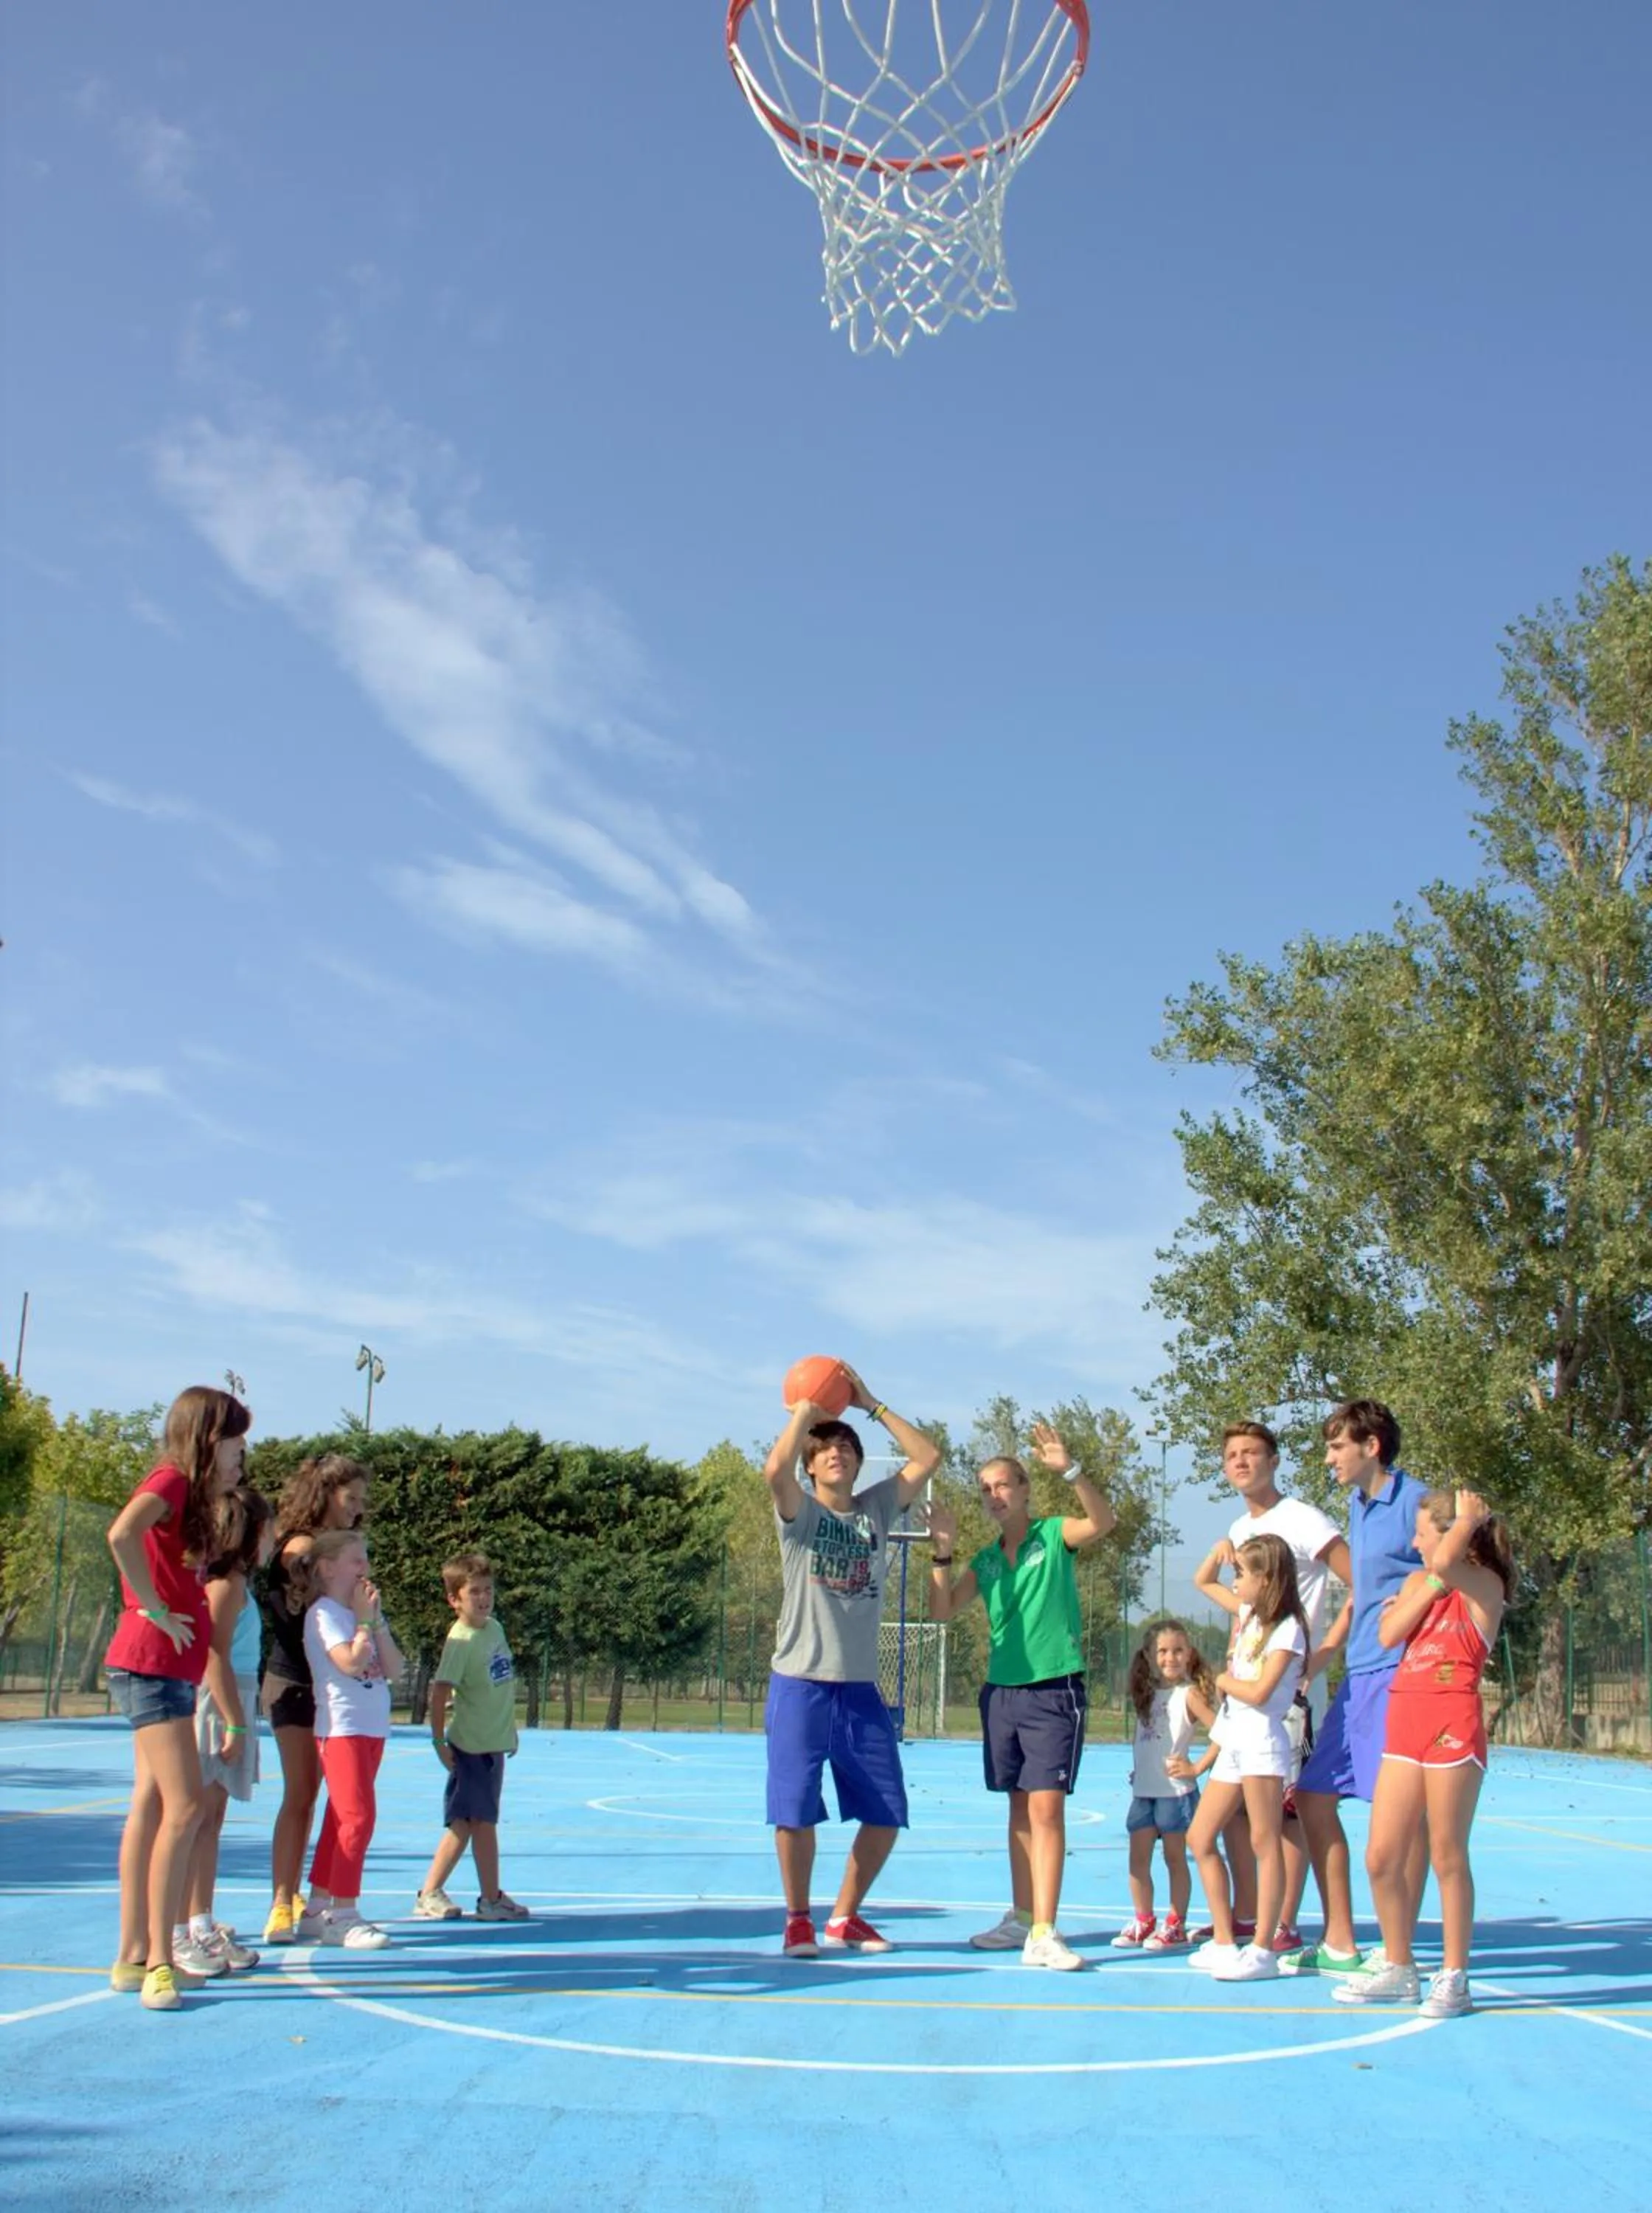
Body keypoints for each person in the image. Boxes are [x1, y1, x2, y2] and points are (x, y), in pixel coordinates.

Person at [762, 1367, 940, 1958]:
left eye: (846, 1448)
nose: (836, 1453)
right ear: (811, 1468)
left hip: (860, 1689)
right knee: (795, 1811)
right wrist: (805, 1412)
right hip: (800, 1684)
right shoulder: (801, 1514)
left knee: (886, 1811)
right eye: (825, 1450)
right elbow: (774, 1471)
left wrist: (869, 1403)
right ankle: (798, 1921)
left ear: (860, 1463)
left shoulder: (876, 1511)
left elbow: (928, 1455)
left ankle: (844, 1917)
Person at [928, 1424, 1117, 1971]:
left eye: (1003, 1485)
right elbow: (942, 1611)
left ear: (1025, 1488)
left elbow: (1103, 1522)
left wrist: (1071, 1470)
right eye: (985, 1488)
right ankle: (1022, 1916)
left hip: (1053, 1689)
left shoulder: (1055, 1535)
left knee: (1046, 1808)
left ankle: (1045, 1931)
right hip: (1002, 1694)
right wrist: (943, 1555)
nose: (994, 1495)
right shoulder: (986, 1561)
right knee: (1018, 1809)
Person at [1333, 1489, 1513, 2019]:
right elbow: (1389, 1633)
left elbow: (1446, 1563)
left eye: (1421, 1532)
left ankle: (1454, 1976)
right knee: (1381, 1856)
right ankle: (1399, 1965)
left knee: (1447, 1853)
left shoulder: (1485, 1585)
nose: (1413, 1542)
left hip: (1451, 1721)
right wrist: (1429, 1584)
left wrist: (1465, 1523)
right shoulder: (1423, 1582)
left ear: (1455, 1534)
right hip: (1406, 1722)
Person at [103, 1385, 251, 2011]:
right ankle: (162, 1961)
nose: (243, 1455)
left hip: (165, 1670)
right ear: (210, 1440)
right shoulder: (170, 1479)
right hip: (152, 1664)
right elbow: (121, 1534)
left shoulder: (192, 1498)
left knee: (151, 1802)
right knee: (186, 1807)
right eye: (236, 1443)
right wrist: (154, 1607)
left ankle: (133, 1954)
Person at [1280, 1399, 1430, 1978]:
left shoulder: (1417, 1501)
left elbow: (1457, 1567)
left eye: (1337, 1446)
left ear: (1372, 1446)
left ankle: (1398, 1954)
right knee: (1313, 1796)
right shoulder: (1359, 1506)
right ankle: (1340, 1943)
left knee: (1407, 1818)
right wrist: (1324, 1654)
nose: (1329, 1458)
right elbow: (1363, 1593)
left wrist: (1421, 1599)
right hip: (1359, 1673)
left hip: (1402, 1673)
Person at [1193, 1420, 1354, 1953]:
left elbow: (1361, 1584)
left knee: (1286, 1813)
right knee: (1236, 1812)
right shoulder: (1241, 1528)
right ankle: (1247, 1915)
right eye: (1232, 1455)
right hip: (1246, 1696)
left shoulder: (1305, 1519)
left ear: (1274, 1460)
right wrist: (1231, 1667)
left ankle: (1282, 1924)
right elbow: (1243, 1610)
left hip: (1288, 1697)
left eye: (1252, 1453)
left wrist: (1326, 1651)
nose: (1241, 1462)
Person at [1186, 1533, 1309, 1982]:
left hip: (1262, 1740)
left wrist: (1222, 1680)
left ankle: (1262, 1949)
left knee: (1264, 1841)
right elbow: (1203, 1581)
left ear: (1267, 1578)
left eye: (1241, 1573)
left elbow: (1259, 1692)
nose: (1235, 1581)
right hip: (1234, 1739)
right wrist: (1219, 1552)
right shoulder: (1249, 1614)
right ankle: (1224, 1940)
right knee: (1200, 1837)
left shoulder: (1288, 1628)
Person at [259, 1453, 369, 1944]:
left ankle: (317, 1897)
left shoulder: (341, 1549)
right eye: (351, 1498)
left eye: (362, 1499)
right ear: (325, 1494)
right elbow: (303, 1602)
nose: (358, 1508)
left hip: (332, 1689)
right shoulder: (301, 1548)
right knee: (302, 1793)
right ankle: (282, 1902)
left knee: (335, 1796)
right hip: (296, 1684)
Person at [176, 1483, 275, 1978]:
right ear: (251, 1533)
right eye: (270, 1530)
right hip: (218, 1702)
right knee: (197, 1819)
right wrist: (234, 1720)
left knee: (211, 1820)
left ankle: (201, 1922)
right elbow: (213, 1654)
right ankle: (179, 1930)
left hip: (232, 1697)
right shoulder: (228, 1586)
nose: (274, 1540)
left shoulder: (238, 1584)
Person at [296, 1528, 401, 1948]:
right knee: (358, 1819)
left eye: (366, 1559)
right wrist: (363, 1622)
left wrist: (375, 1621)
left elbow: (394, 1668)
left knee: (340, 1818)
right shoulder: (323, 1614)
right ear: (327, 1568)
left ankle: (317, 1907)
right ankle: (344, 1913)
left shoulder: (362, 1613)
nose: (365, 1568)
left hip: (371, 1727)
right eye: (356, 1560)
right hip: (342, 1729)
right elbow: (351, 1662)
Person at [414, 1551, 527, 1922]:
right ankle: (488, 1899)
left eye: (488, 1590)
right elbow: (439, 1692)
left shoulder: (494, 1629)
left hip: (492, 1745)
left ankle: (436, 1892)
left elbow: (499, 1687)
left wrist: (508, 1730)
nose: (483, 1598)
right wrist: (438, 1741)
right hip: (471, 1748)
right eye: (474, 1591)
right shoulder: (460, 1641)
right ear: (455, 1599)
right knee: (480, 1823)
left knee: (466, 1824)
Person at [1114, 1618, 1218, 1953]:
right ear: (1148, 1655)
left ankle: (1175, 1924)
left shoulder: (1189, 1695)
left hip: (1176, 1795)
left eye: (1178, 1651)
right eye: (1162, 1651)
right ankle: (1144, 1919)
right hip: (1144, 1794)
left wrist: (1197, 1767)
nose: (1170, 1658)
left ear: (1189, 1655)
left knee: (1175, 1859)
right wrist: (1142, 1769)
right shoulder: (1144, 1695)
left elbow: (1223, 1732)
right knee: (1138, 1861)